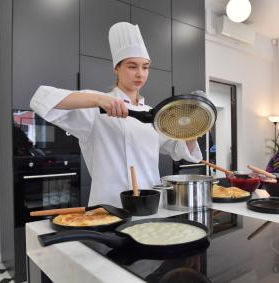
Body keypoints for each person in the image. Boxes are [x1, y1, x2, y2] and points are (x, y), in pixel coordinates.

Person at [30, 22, 202, 206]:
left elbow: (181, 150)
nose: (140, 74)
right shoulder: (96, 107)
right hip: (108, 207)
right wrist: (98, 100)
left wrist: (197, 122)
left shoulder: (154, 115)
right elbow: (41, 100)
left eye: (145, 67)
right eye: (132, 66)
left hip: (150, 205)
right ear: (116, 69)